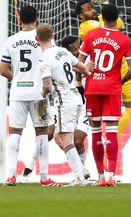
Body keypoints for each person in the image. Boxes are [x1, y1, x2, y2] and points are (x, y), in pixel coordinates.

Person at [0, 5, 60, 187]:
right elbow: (54, 65)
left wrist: (17, 78)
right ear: (37, 18)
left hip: (18, 92)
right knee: (41, 133)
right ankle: (44, 178)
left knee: (15, 133)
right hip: (39, 93)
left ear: (19, 18)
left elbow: (3, 70)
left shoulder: (10, 40)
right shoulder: (44, 39)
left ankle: (11, 176)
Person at [76, 0, 131, 135]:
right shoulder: (87, 26)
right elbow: (115, 24)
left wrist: (106, 3)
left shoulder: (99, 20)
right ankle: (112, 138)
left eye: (93, 7)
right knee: (130, 109)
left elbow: (118, 23)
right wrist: (106, 9)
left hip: (116, 64)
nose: (93, 10)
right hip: (115, 70)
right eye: (88, 9)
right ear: (81, 16)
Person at [78, 4, 131, 187]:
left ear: (102, 18)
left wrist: (84, 75)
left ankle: (100, 175)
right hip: (112, 88)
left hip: (93, 87)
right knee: (111, 131)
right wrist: (119, 81)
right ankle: (111, 175)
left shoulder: (90, 35)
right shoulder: (125, 39)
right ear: (117, 18)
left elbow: (78, 63)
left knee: (95, 131)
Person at [36, 23, 93, 187]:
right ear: (53, 36)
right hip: (76, 99)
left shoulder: (44, 58)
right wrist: (90, 74)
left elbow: (47, 84)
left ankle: (80, 177)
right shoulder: (63, 51)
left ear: (37, 39)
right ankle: (81, 172)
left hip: (63, 100)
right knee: (57, 137)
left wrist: (44, 93)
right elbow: (82, 67)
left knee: (66, 139)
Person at [60, 35, 91, 179]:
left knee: (78, 140)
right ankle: (81, 171)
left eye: (78, 47)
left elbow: (86, 74)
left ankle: (82, 172)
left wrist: (82, 70)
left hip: (84, 104)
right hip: (65, 104)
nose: (77, 50)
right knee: (57, 138)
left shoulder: (87, 60)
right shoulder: (62, 63)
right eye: (74, 49)